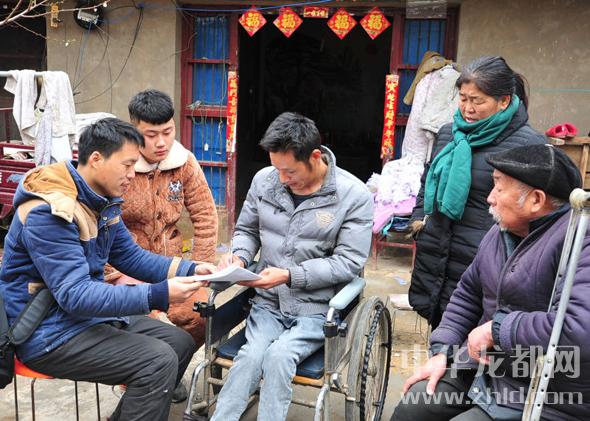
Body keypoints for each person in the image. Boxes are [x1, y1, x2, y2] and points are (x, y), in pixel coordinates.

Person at [0, 118, 216, 421]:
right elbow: (76, 295)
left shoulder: (101, 200)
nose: (132, 175)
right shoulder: (50, 211)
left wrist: (191, 268)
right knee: (157, 361)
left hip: (81, 318)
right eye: (127, 165)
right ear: (96, 159)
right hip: (46, 331)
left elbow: (130, 257)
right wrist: (159, 294)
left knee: (179, 343)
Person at [392, 144, 588, 421]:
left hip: (547, 391)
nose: (489, 198)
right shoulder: (500, 232)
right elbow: (467, 294)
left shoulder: (580, 240)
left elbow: (578, 328)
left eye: (499, 188)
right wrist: (442, 351)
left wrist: (497, 330)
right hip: (484, 369)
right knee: (413, 407)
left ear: (536, 200)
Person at [210, 112, 373, 421]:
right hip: (267, 304)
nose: (282, 179)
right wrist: (239, 257)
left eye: (290, 171)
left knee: (278, 358)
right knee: (249, 358)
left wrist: (290, 276)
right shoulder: (264, 181)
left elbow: (349, 262)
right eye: (277, 169)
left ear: (315, 157)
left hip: (317, 309)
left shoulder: (353, 196)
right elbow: (246, 230)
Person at [409, 56, 546, 329]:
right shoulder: (449, 134)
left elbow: (539, 214)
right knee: (442, 336)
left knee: (479, 339)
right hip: (438, 255)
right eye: (463, 98)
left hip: (487, 261)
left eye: (477, 101)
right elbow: (428, 182)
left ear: (503, 101)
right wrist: (419, 224)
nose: (467, 108)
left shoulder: (528, 145)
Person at [106, 89, 218, 348]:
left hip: (172, 268)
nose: (161, 143)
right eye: (151, 135)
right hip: (126, 271)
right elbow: (97, 227)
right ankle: (142, 373)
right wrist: (114, 276)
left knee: (202, 316)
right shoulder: (119, 166)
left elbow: (205, 214)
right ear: (133, 131)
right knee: (141, 331)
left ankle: (175, 369)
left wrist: (199, 268)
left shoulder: (184, 162)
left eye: (168, 132)